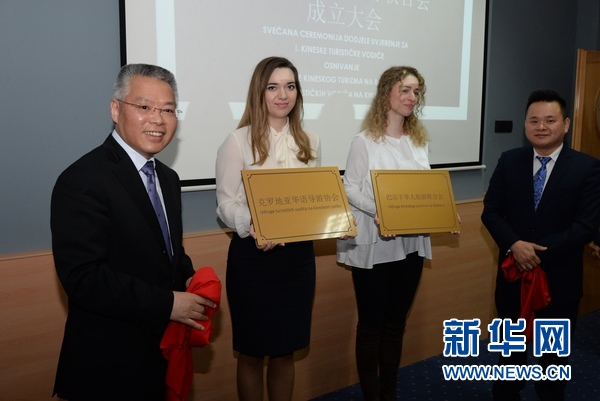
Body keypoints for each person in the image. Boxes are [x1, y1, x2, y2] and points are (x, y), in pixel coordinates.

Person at [51, 63, 217, 401]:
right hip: (108, 363)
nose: (158, 119)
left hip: (161, 354)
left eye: (168, 110)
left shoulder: (167, 178)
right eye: (144, 106)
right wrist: (168, 303)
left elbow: (166, 249)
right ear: (116, 109)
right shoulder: (83, 179)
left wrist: (188, 277)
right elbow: (83, 278)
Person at [481, 89, 600, 401]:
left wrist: (533, 251)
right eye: (534, 120)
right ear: (525, 125)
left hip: (560, 281)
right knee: (510, 356)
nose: (541, 126)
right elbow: (491, 211)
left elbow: (585, 226)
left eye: (550, 120)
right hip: (512, 278)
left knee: (553, 361)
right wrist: (514, 244)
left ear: (566, 124)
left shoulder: (587, 167)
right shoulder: (509, 161)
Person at [215, 56, 320, 401]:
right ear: (259, 92)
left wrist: (334, 222)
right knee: (251, 353)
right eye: (273, 87)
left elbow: (313, 201)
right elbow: (225, 204)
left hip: (297, 260)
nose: (282, 95)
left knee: (285, 351)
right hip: (253, 259)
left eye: (290, 86)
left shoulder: (311, 141)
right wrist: (252, 225)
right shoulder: (237, 141)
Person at [337, 66, 444, 401]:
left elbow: (426, 189)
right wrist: (378, 209)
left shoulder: (419, 141)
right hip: (375, 244)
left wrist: (442, 209)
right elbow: (349, 188)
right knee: (371, 325)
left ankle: (389, 393)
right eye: (405, 90)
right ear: (386, 94)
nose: (412, 97)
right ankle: (372, 396)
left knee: (396, 324)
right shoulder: (364, 141)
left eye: (416, 92)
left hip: (410, 244)